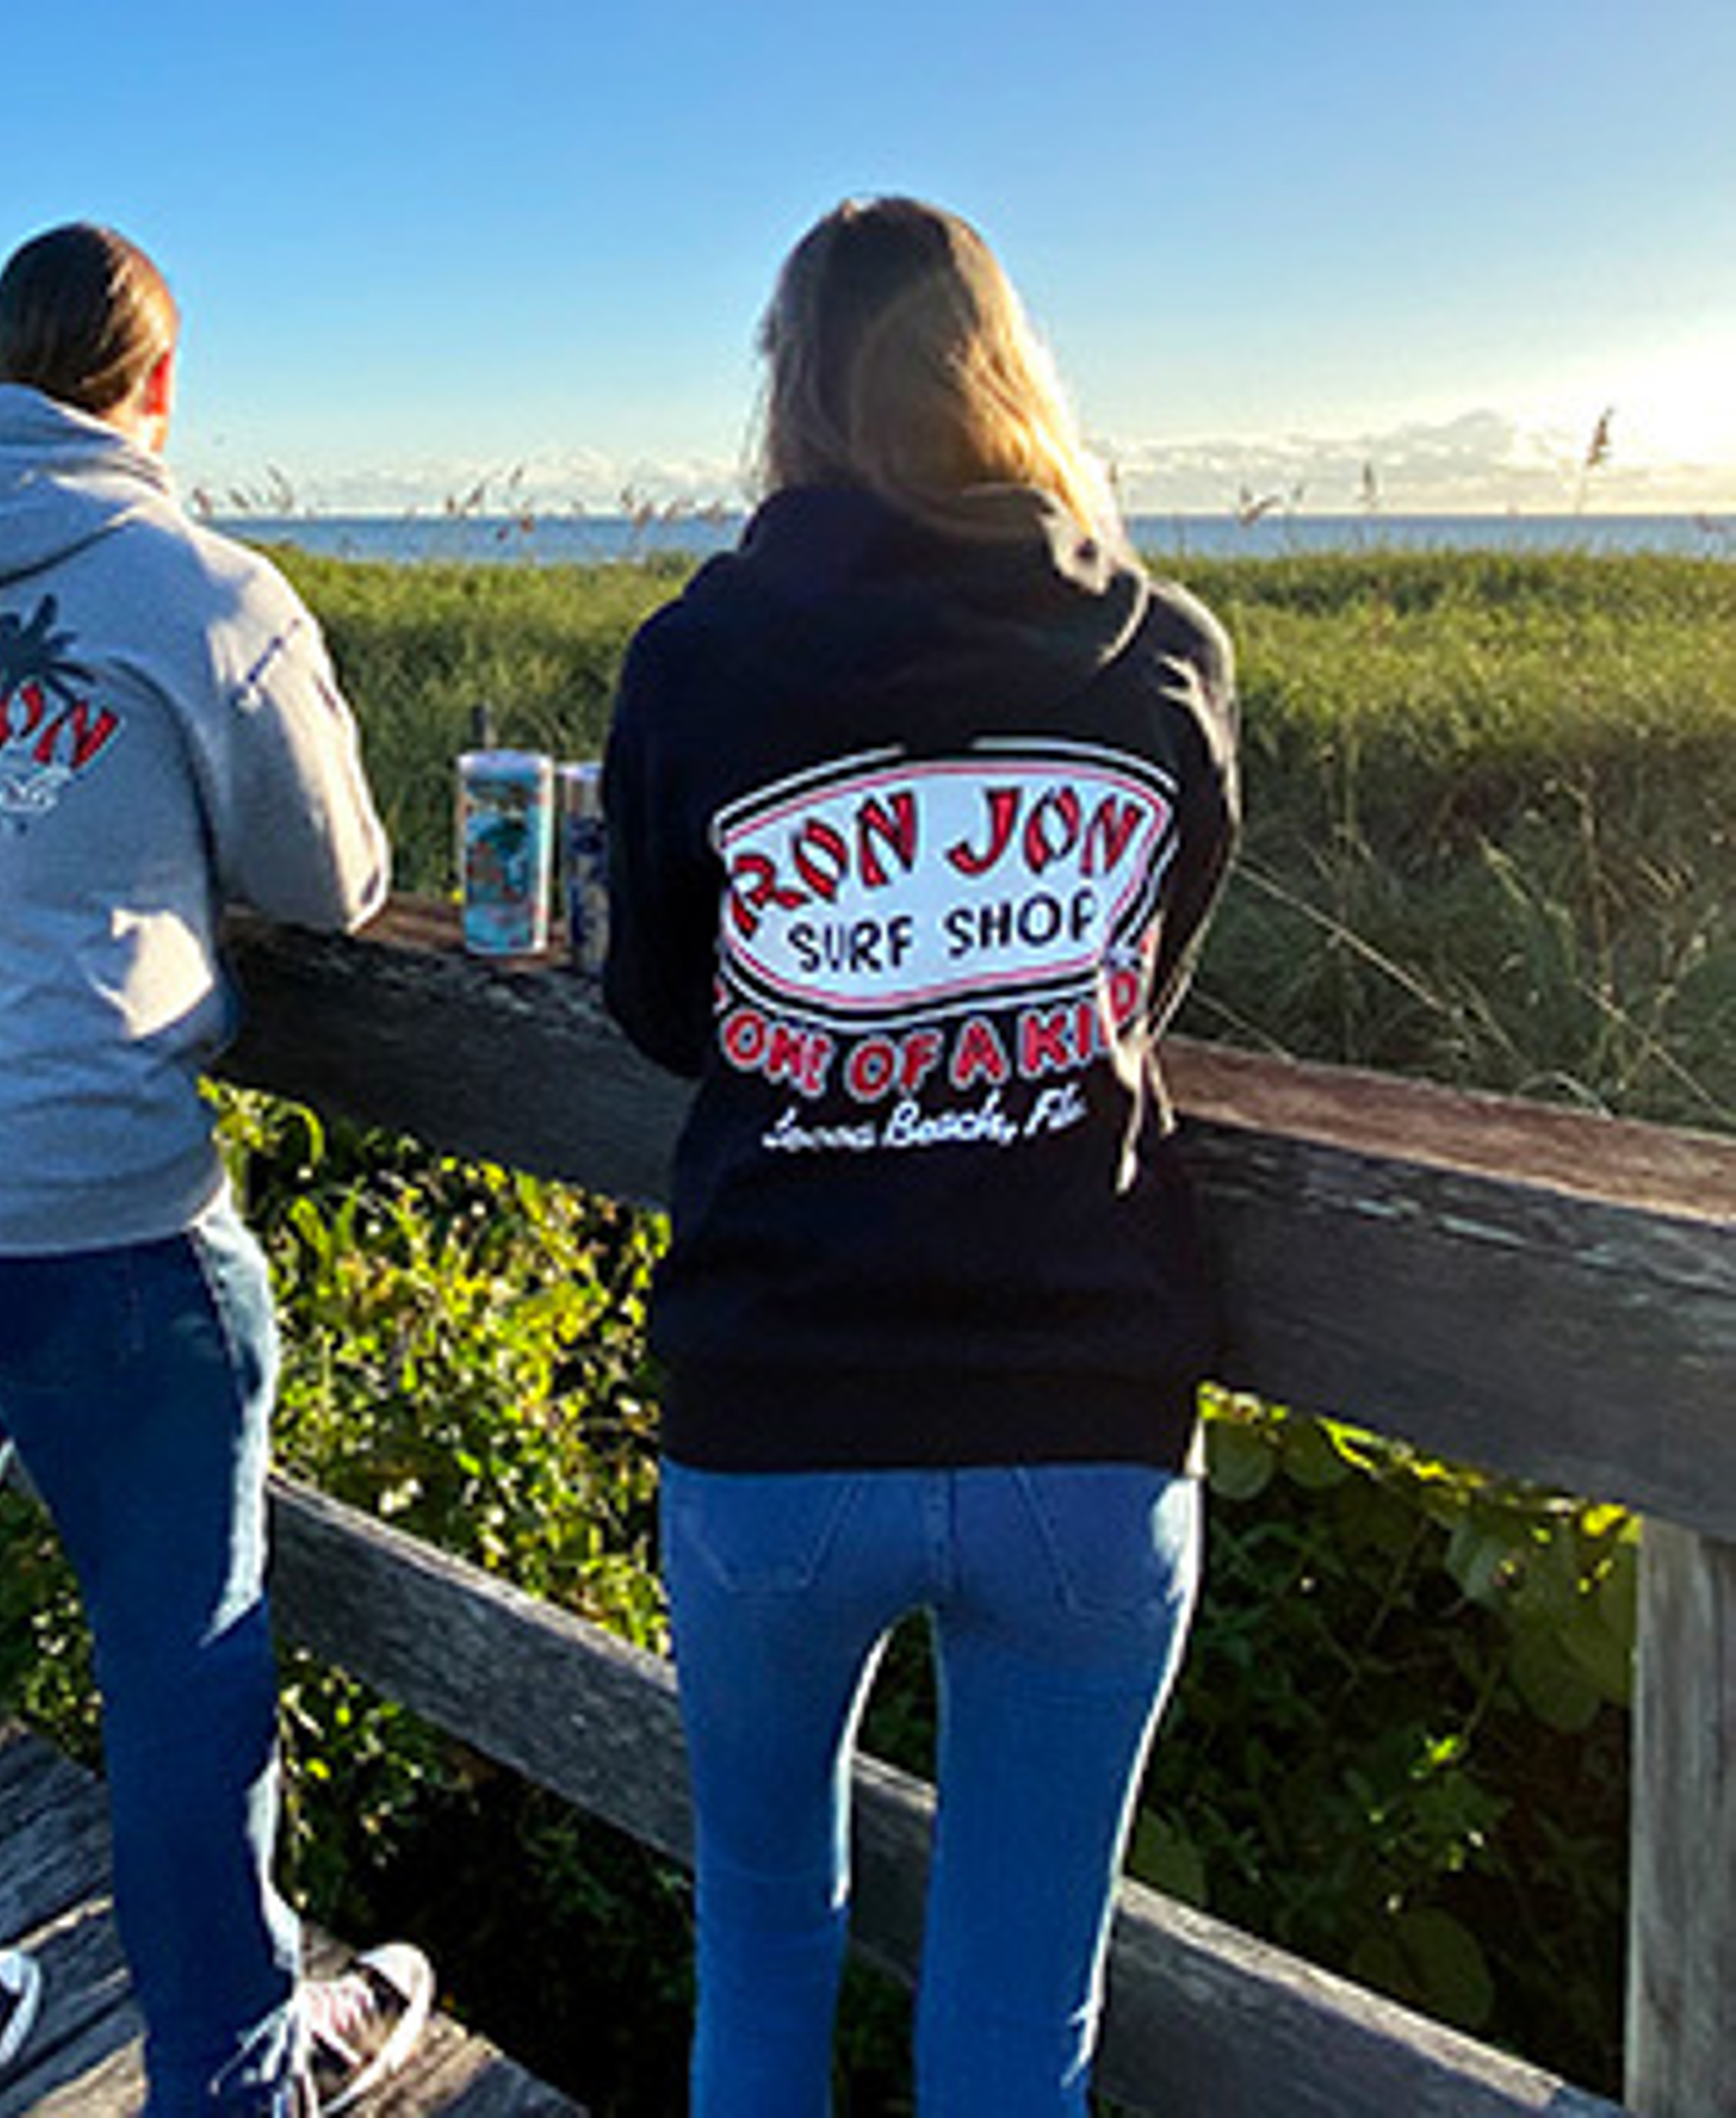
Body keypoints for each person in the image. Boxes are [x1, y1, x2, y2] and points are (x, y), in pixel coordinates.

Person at [0, 221, 433, 2117]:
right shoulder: (202, 592)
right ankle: (229, 2072)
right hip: (82, 1204)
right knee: (183, 1651)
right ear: (153, 388)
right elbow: (334, 879)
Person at [599, 196, 1240, 2116]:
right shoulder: (1165, 658)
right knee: (1019, 2023)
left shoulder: (697, 664)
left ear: (790, 395)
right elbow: (1142, 978)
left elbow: (660, 1004)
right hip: (1085, 1402)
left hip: (780, 1407)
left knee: (765, 1948)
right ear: (1008, 366)